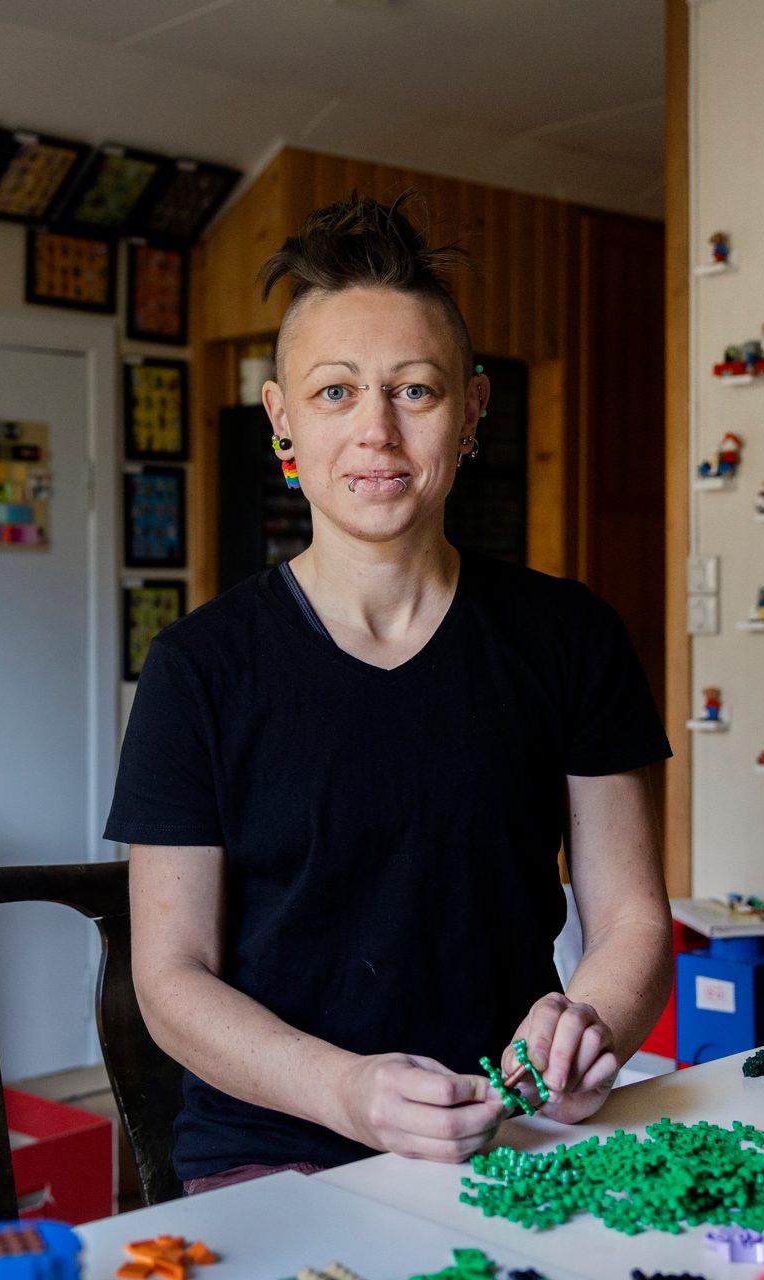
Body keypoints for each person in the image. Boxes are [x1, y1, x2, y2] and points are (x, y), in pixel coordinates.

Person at [105, 192, 673, 1194]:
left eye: (415, 389)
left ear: (472, 411)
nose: (376, 429)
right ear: (281, 418)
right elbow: (170, 977)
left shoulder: (570, 636)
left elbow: (630, 922)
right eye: (334, 392)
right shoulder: (197, 667)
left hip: (518, 1129)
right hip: (278, 1149)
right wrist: (347, 1091)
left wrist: (590, 1028)